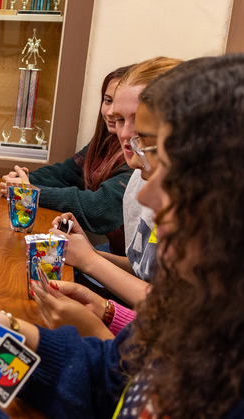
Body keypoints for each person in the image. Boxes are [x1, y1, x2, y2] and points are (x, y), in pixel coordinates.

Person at [0, 51, 244, 419]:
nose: (147, 195)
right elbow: (113, 374)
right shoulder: (217, 306)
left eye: (172, 173)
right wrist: (5, 333)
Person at [50, 57, 181, 306]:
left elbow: (170, 308)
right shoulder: (137, 179)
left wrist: (91, 261)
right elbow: (141, 269)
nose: (125, 133)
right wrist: (88, 252)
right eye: (120, 119)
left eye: (140, 121)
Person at [0, 65, 133, 243]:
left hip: (130, 263)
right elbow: (64, 173)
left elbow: (99, 208)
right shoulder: (107, 140)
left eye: (120, 105)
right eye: (108, 101)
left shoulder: (136, 154)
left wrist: (28, 193)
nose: (111, 112)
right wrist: (22, 180)